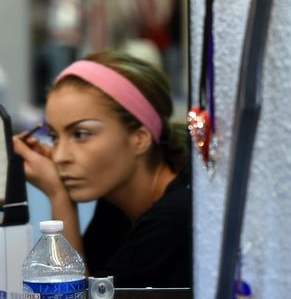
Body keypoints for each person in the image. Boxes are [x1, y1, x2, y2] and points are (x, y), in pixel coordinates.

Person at [13, 50, 191, 288]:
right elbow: (93, 287)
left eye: (80, 134)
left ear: (140, 138)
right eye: (55, 137)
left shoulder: (175, 217)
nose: (59, 156)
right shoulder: (116, 201)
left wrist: (58, 194)